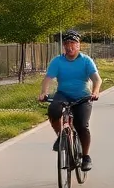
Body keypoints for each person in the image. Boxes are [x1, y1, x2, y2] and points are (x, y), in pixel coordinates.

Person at [38, 30, 101, 171]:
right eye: (66, 44)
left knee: (81, 126)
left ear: (79, 45)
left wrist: (95, 92)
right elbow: (47, 79)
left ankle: (85, 157)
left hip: (83, 96)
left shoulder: (86, 61)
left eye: (73, 43)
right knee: (53, 110)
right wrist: (44, 93)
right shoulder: (58, 61)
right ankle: (61, 136)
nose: (69, 46)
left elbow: (97, 79)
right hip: (63, 94)